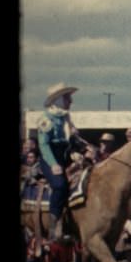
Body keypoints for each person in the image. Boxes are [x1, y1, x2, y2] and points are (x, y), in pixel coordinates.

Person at [37, 82, 79, 241]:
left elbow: (68, 141)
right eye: (67, 98)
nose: (70, 101)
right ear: (59, 100)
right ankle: (54, 227)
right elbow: (43, 144)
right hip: (50, 157)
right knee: (60, 185)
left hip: (64, 154)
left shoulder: (65, 117)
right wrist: (53, 164)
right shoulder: (46, 119)